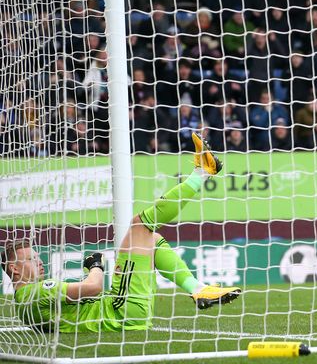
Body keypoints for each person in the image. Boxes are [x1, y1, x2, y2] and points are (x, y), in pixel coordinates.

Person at [4, 134, 240, 333]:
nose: (40, 262)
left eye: (36, 257)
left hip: (124, 313)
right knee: (140, 225)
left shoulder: (25, 304)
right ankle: (203, 172)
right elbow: (94, 287)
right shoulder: (34, 293)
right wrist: (95, 265)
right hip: (120, 310)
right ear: (14, 268)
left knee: (152, 239)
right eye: (32, 259)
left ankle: (198, 290)